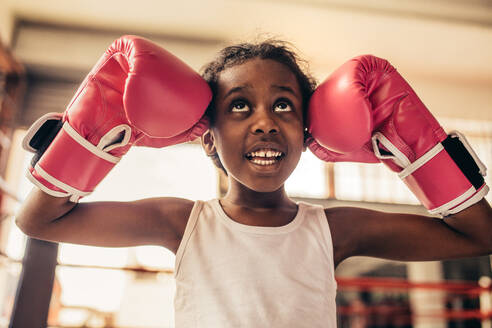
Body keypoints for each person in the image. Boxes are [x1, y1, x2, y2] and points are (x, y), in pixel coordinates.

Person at [15, 35, 492, 327]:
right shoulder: (180, 222)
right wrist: (89, 139)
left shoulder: (334, 229)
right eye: (239, 106)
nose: (264, 122)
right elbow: (40, 220)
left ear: (308, 135)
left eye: (283, 104)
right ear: (207, 138)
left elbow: (480, 234)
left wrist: (419, 150)